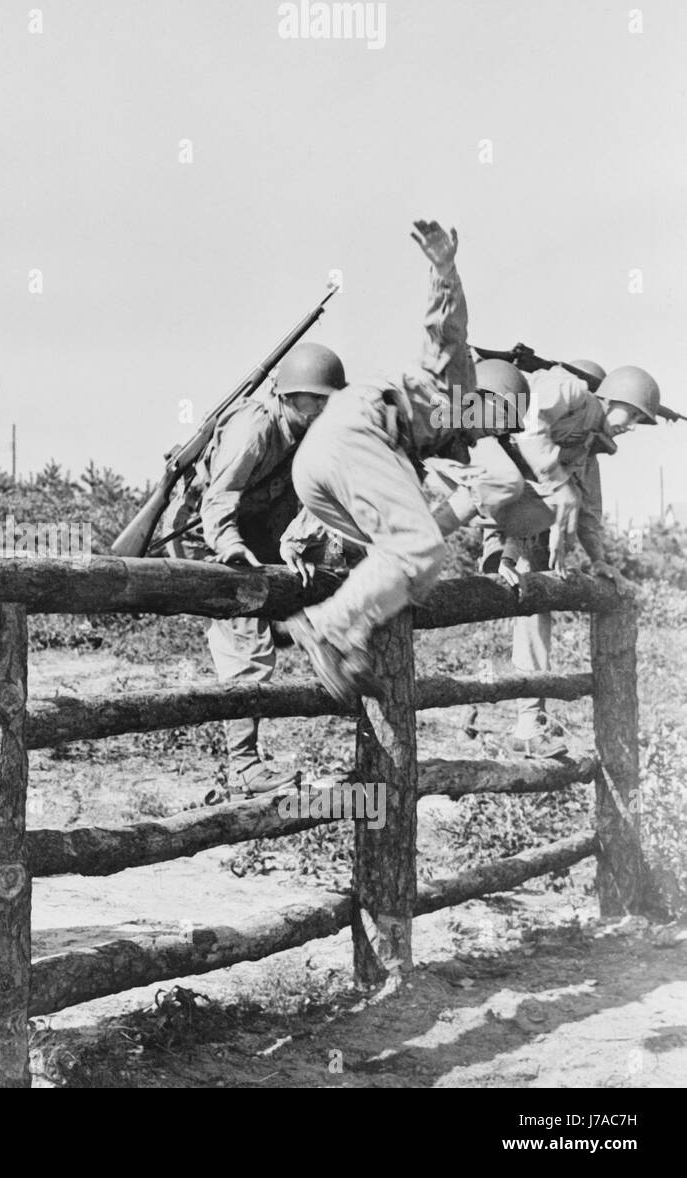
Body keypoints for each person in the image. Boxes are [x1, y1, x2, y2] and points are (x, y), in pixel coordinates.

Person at [285, 220, 547, 703]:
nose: (491, 437)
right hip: (356, 434)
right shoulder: (454, 386)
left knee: (404, 558)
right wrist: (444, 268)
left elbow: (482, 490)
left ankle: (353, 643)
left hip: (319, 468)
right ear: (483, 405)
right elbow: (445, 328)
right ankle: (324, 628)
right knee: (420, 550)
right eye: (495, 424)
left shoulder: (438, 440)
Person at [186, 343, 345, 793]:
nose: (324, 408)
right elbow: (218, 499)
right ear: (291, 396)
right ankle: (244, 768)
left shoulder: (309, 437)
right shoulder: (254, 429)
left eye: (330, 400)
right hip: (212, 534)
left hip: (261, 536)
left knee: (308, 600)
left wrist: (305, 547)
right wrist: (232, 546)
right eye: (317, 399)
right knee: (245, 642)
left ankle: (289, 630)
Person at [495, 360, 662, 756]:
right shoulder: (569, 398)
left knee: (535, 612)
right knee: (530, 610)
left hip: (525, 523)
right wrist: (556, 485)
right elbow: (529, 424)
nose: (632, 425)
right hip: (497, 502)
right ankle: (527, 722)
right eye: (632, 413)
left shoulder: (588, 444)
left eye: (640, 418)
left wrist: (599, 559)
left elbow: (587, 509)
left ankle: (527, 723)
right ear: (610, 396)